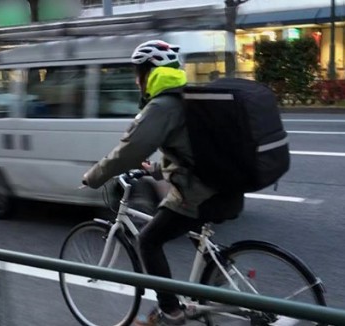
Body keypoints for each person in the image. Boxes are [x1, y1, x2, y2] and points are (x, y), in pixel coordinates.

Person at [81, 40, 245, 326]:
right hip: (224, 185)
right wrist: (157, 169)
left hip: (200, 193)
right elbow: (192, 152)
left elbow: (129, 150)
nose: (136, 81)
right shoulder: (187, 96)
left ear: (148, 73)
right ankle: (217, 279)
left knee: (148, 240)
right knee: (190, 232)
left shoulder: (162, 105)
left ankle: (170, 311)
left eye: (137, 73)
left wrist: (93, 176)